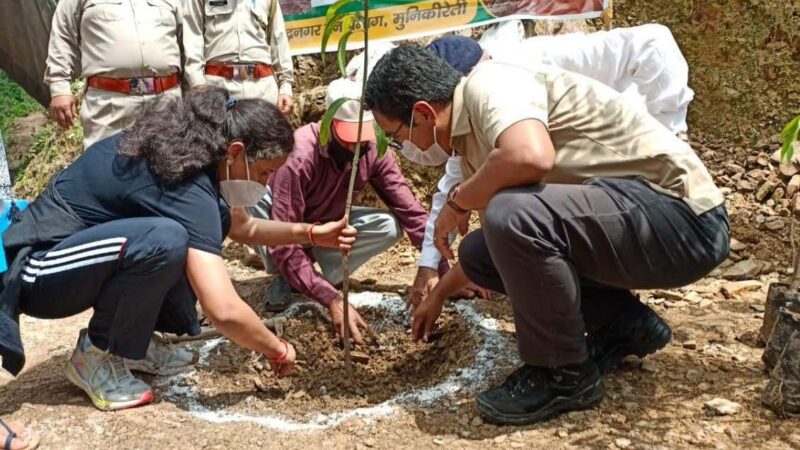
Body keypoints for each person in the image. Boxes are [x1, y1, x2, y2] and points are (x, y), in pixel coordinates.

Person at [364, 46, 729, 425]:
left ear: (423, 113)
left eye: (396, 136)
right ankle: (622, 322)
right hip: (645, 223)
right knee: (480, 250)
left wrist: (459, 202)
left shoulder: (489, 84)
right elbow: (513, 248)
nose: (403, 149)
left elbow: (531, 157)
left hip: (683, 218)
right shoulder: (471, 145)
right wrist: (438, 292)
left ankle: (563, 374)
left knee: (508, 214)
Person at [0, 86, 356, 411]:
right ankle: (95, 355)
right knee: (164, 240)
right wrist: (276, 349)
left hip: (76, 259)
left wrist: (310, 233)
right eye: (264, 173)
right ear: (236, 152)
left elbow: (242, 226)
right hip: (38, 268)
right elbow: (224, 310)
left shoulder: (194, 156)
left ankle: (132, 345)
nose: (265, 186)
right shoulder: (186, 182)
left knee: (192, 227)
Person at [246, 78, 474, 342]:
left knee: (387, 225)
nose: (356, 149)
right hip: (287, 227)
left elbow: (409, 212)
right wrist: (331, 299)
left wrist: (443, 272)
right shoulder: (298, 156)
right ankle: (288, 274)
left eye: (361, 140)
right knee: (263, 204)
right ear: (329, 125)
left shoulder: (374, 149)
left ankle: (313, 273)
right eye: (348, 140)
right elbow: (284, 240)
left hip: (328, 227)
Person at [427, 24, 695, 136]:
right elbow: (456, 176)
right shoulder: (478, 111)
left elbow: (653, 41)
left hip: (633, 153)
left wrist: (668, 133)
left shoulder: (539, 59)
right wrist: (430, 256)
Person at [44, 0, 184, 148]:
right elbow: (63, 35)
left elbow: (186, 42)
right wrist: (59, 87)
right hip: (109, 106)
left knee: (170, 164)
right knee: (104, 164)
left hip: (167, 103)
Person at [183, 0, 295, 116]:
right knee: (218, 134)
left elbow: (278, 38)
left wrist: (285, 87)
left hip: (262, 89)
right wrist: (198, 84)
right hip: (218, 90)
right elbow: (193, 35)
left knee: (265, 133)